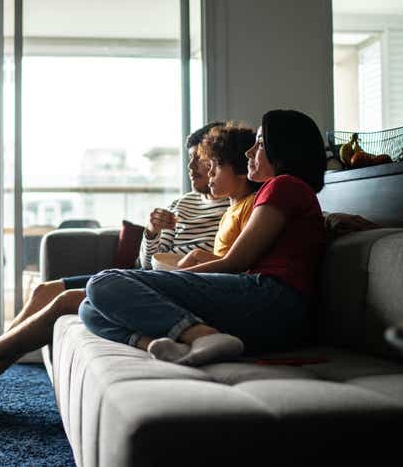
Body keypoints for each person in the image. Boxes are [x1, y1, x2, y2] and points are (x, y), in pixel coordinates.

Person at [0, 122, 230, 404]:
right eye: (188, 158)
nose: (191, 166)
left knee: (65, 300)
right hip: (142, 277)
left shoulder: (230, 209)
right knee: (43, 290)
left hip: (162, 287)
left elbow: (222, 263)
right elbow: (146, 262)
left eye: (198, 159)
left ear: (217, 160)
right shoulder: (181, 204)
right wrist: (151, 232)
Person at [77, 109, 328, 366]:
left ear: (284, 150)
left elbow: (236, 261)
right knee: (88, 308)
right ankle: (167, 344)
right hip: (264, 309)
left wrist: (170, 278)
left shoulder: (283, 186)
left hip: (272, 301)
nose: (249, 152)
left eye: (261, 144)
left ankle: (203, 336)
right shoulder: (284, 192)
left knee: (104, 282)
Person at [152, 122, 261, 271]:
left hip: (213, 283)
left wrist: (192, 261)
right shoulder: (230, 211)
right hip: (179, 272)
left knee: (114, 278)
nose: (210, 172)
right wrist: (152, 232)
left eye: (216, 164)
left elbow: (239, 264)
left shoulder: (251, 207)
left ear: (241, 170)